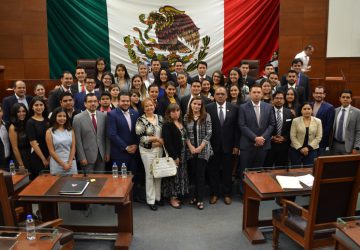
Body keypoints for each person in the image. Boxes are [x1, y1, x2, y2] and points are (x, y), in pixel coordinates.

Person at [206, 87, 239, 205]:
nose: (220, 96)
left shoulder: (234, 108)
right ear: (214, 96)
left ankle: (227, 194)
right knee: (213, 171)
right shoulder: (208, 108)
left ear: (226, 96)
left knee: (227, 171)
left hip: (229, 146)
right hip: (212, 146)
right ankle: (214, 194)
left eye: (222, 94)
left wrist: (236, 145)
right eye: (218, 94)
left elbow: (237, 128)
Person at [184, 96, 213, 210]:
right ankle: (195, 197)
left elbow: (209, 133)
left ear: (202, 106)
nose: (196, 106)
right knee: (194, 175)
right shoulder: (186, 117)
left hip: (203, 150)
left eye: (199, 104)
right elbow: (185, 134)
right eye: (194, 104)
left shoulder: (206, 116)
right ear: (191, 104)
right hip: (191, 151)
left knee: (201, 175)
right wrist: (190, 146)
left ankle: (200, 199)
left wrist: (200, 147)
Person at [239, 84, 275, 172]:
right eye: (254, 92)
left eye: (258, 92)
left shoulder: (269, 107)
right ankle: (242, 187)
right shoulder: (243, 107)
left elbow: (272, 124)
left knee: (258, 172)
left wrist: (262, 138)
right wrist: (255, 138)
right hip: (248, 145)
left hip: (263, 145)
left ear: (262, 94)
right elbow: (242, 125)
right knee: (245, 172)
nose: (256, 94)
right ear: (250, 94)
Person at [135, 98, 163, 211]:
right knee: (150, 175)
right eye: (146, 106)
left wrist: (162, 141)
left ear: (154, 106)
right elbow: (141, 138)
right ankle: (151, 200)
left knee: (158, 174)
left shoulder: (159, 118)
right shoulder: (140, 120)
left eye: (151, 105)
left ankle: (158, 198)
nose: (149, 108)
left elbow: (164, 132)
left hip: (159, 150)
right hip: (147, 152)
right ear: (143, 108)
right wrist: (156, 138)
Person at [73, 93, 110, 173]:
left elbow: (106, 137)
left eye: (95, 101)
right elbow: (77, 140)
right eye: (90, 101)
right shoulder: (78, 118)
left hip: (101, 155)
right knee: (89, 182)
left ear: (98, 103)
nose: (93, 103)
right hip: (87, 156)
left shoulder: (103, 116)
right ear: (85, 104)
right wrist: (82, 157)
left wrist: (107, 152)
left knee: (101, 181)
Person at [161, 103, 189, 208]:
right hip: (175, 154)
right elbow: (167, 142)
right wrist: (175, 157)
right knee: (173, 177)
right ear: (169, 113)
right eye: (173, 111)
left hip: (183, 154)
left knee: (181, 175)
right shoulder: (167, 124)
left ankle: (178, 195)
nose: (176, 113)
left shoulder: (180, 122)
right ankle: (172, 198)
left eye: (177, 110)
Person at [264, 90, 293, 167]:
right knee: (267, 168)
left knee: (281, 169)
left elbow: (291, 129)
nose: (279, 100)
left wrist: (284, 138)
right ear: (273, 100)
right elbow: (263, 127)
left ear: (284, 100)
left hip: (284, 146)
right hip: (269, 145)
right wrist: (271, 137)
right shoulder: (267, 112)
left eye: (281, 98)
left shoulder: (289, 113)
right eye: (276, 98)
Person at [46, 107, 77, 175]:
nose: (62, 118)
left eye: (64, 116)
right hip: (57, 164)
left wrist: (69, 162)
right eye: (59, 116)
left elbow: (73, 148)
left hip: (71, 163)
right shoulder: (49, 132)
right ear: (55, 117)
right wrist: (63, 164)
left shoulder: (71, 130)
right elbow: (51, 151)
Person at [26, 96, 49, 179]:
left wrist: (50, 156)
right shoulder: (30, 122)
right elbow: (33, 143)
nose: (39, 107)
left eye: (41, 105)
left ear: (44, 106)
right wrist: (43, 159)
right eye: (36, 105)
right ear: (32, 107)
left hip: (49, 155)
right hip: (38, 156)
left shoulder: (47, 120)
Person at [331, 90, 360, 155]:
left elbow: (359, 131)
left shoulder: (357, 112)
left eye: (347, 97)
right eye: (343, 97)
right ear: (340, 99)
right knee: (334, 164)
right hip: (335, 145)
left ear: (351, 99)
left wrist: (356, 147)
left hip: (349, 146)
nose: (345, 99)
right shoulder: (335, 111)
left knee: (347, 165)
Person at [312, 86, 335, 155]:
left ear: (324, 95)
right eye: (316, 93)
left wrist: (318, 139)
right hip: (309, 140)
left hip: (321, 142)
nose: (318, 95)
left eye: (320, 93)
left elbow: (328, 127)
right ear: (313, 94)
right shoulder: (309, 105)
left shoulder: (329, 107)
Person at [8, 103, 31, 171]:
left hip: (29, 155)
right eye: (18, 111)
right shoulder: (12, 127)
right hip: (20, 156)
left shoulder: (27, 123)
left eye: (23, 111)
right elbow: (15, 148)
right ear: (14, 113)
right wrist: (21, 164)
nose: (22, 113)